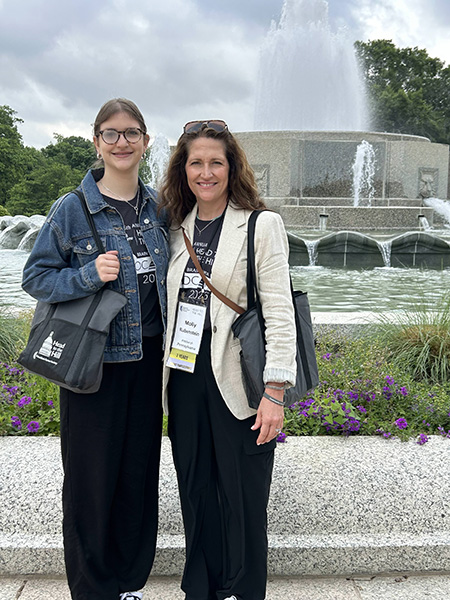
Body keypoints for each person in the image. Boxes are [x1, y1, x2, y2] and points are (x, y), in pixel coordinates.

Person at [21, 98, 169, 600]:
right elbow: (35, 277)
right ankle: (92, 589)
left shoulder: (159, 207)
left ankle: (130, 583)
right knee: (89, 480)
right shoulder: (73, 207)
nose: (122, 141)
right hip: (95, 363)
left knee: (137, 475)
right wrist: (88, 274)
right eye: (111, 133)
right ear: (96, 142)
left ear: (146, 142)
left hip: (150, 364)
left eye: (132, 132)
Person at [158, 120, 297, 600]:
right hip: (184, 376)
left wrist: (275, 392)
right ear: (183, 169)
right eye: (196, 162)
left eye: (216, 162)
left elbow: (280, 313)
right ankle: (202, 588)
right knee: (196, 492)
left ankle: (243, 589)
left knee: (243, 497)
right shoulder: (175, 227)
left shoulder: (261, 224)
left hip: (238, 378)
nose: (206, 172)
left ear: (232, 167)